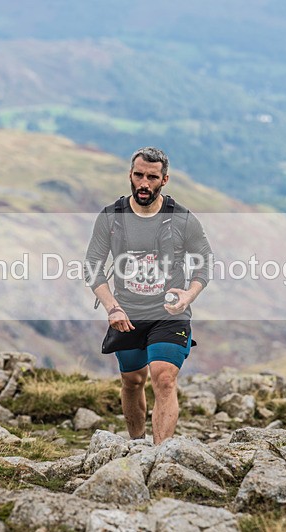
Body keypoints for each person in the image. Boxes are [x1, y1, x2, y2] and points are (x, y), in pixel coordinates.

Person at [84, 147, 213, 444]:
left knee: (164, 378)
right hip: (127, 312)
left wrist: (189, 296)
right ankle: (137, 444)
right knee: (132, 381)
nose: (144, 183)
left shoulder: (182, 219)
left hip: (169, 314)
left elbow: (206, 260)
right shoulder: (111, 217)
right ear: (130, 175)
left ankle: (159, 454)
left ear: (164, 179)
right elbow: (92, 267)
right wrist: (112, 307)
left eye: (152, 177)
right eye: (139, 175)